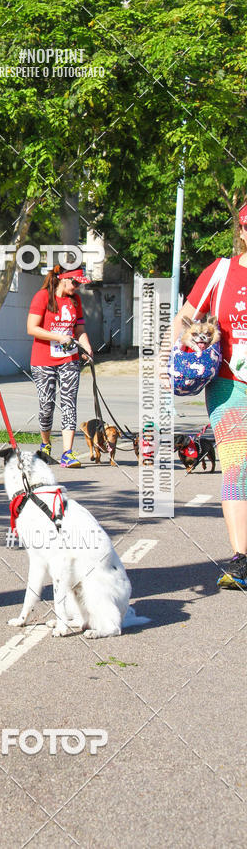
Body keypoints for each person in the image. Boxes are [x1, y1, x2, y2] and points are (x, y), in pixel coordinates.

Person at [171, 202, 247, 589]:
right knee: (236, 466)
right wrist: (179, 352)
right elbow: (185, 316)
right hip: (229, 386)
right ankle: (241, 561)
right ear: (243, 231)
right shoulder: (220, 272)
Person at [27, 265, 93, 468]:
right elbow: (31, 328)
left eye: (79, 284)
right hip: (43, 359)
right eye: (74, 283)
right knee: (46, 405)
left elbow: (79, 327)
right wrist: (59, 336)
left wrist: (86, 346)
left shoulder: (75, 300)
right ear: (62, 279)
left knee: (68, 404)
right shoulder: (42, 297)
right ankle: (46, 443)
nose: (76, 287)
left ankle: (67, 452)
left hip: (69, 359)